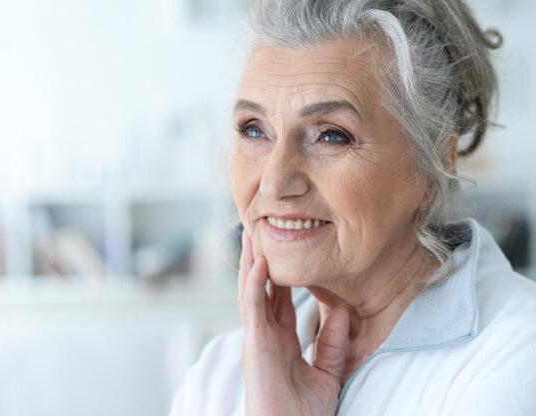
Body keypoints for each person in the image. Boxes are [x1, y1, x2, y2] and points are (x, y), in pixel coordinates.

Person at [169, 0, 536, 415]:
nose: (273, 182)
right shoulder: (221, 374)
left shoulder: (515, 361)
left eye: (331, 136)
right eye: (254, 130)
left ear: (435, 163)